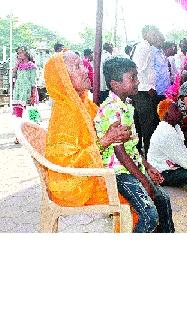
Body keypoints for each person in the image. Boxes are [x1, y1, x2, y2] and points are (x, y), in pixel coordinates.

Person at [44, 51, 136, 223]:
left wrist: (114, 133)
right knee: (138, 201)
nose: (86, 70)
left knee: (141, 189)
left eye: (83, 64)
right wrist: (107, 139)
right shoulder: (65, 113)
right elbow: (67, 164)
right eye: (77, 67)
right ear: (63, 78)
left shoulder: (84, 104)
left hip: (91, 173)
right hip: (73, 185)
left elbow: (102, 132)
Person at [94, 57, 175, 233]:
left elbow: (132, 148)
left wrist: (148, 166)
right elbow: (121, 153)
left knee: (163, 199)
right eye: (133, 77)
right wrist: (143, 178)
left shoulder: (125, 105)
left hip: (130, 166)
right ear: (115, 84)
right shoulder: (112, 109)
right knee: (150, 215)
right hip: (118, 173)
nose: (138, 81)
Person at [147, 103, 187, 193]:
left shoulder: (174, 127)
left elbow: (183, 149)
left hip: (172, 165)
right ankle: (181, 183)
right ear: (167, 115)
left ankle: (186, 182)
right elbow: (185, 162)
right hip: (162, 172)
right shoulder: (167, 132)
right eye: (176, 110)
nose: (180, 112)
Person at [131, 25, 162, 157]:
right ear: (146, 34)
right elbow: (136, 69)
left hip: (144, 90)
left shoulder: (147, 47)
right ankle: (150, 155)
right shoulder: (143, 47)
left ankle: (141, 152)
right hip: (143, 92)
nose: (155, 35)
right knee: (148, 125)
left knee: (142, 123)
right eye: (153, 33)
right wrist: (147, 86)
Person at [12, 46, 39, 144]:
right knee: (18, 115)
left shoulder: (31, 65)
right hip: (18, 92)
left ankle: (36, 134)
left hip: (28, 92)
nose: (19, 55)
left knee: (32, 114)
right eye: (18, 53)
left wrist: (33, 95)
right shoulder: (18, 65)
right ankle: (18, 136)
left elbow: (33, 82)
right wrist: (16, 64)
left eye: (21, 53)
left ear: (26, 53)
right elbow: (13, 74)